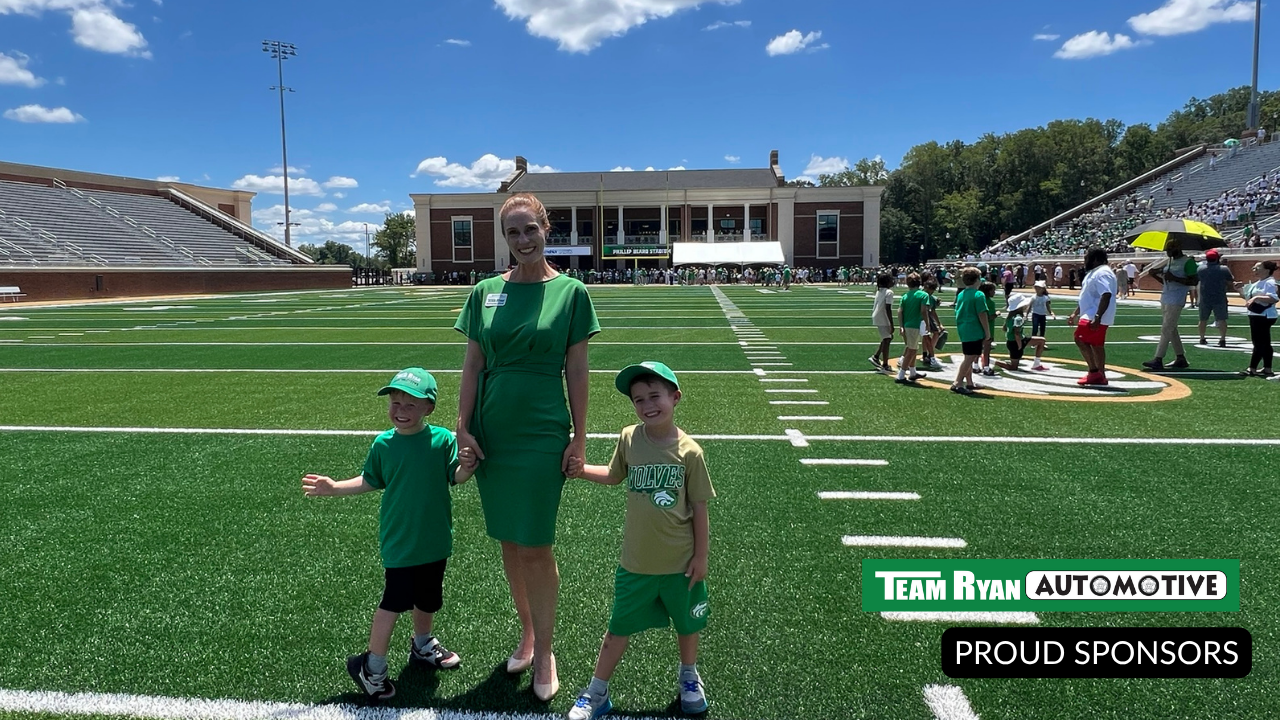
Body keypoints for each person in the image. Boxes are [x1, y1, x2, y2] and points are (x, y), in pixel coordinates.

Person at [454, 192, 601, 701]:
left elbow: (577, 370)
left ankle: (547, 651)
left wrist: (580, 437)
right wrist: (462, 426)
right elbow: (472, 364)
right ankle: (528, 634)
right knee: (510, 542)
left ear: (546, 230)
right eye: (512, 233)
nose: (521, 241)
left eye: (529, 230)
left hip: (541, 432)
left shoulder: (572, 293)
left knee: (536, 544)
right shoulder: (484, 292)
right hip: (492, 432)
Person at [302, 368, 478, 700]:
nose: (399, 410)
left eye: (410, 404)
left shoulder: (442, 440)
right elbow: (371, 479)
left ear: (429, 407)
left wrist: (467, 466)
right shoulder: (384, 444)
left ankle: (423, 645)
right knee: (393, 603)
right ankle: (372, 668)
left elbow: (455, 477)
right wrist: (334, 487)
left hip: (435, 540)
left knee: (428, 599)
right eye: (395, 402)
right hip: (400, 543)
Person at [565, 362, 715, 720]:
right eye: (638, 399)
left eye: (655, 396)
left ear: (675, 397)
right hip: (636, 563)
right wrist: (582, 470)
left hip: (681, 564)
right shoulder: (630, 436)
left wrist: (701, 557)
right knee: (617, 629)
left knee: (688, 625)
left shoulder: (690, 452)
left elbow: (699, 508)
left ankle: (689, 677)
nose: (647, 405)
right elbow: (615, 475)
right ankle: (597, 691)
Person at [1143, 238, 1199, 372]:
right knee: (1172, 329)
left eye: (1169, 249)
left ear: (1177, 248)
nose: (1167, 252)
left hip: (1176, 299)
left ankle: (1158, 358)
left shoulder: (1188, 262)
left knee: (1166, 328)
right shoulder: (1171, 262)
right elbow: (1167, 282)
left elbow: (1194, 281)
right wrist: (1155, 276)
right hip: (1166, 297)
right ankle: (1180, 357)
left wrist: (1174, 278)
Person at [1067, 247, 1118, 386]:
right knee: (1096, 345)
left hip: (1093, 315)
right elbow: (1088, 297)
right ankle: (1100, 375)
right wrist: (1075, 313)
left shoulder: (1102, 273)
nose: (1085, 261)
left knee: (1080, 339)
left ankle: (1094, 371)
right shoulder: (1095, 272)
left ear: (1095, 259)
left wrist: (1097, 316)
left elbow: (1106, 294)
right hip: (1091, 313)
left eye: (1086, 258)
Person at [951, 267, 990, 395]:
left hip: (964, 328)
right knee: (970, 357)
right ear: (977, 280)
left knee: (969, 355)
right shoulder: (979, 295)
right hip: (974, 329)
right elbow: (982, 314)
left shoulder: (961, 294)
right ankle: (957, 382)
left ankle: (969, 382)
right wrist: (987, 332)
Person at [1241, 260, 1279, 378]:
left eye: (1257, 268)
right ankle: (1267, 368)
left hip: (1264, 315)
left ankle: (1252, 368)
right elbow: (1248, 298)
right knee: (1264, 343)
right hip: (1256, 314)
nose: (1254, 270)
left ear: (1267, 270)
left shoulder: (1270, 282)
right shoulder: (1258, 282)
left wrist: (1257, 297)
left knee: (1258, 343)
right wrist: (1239, 289)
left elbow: (1274, 298)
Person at [996, 293, 1047, 372]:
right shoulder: (1018, 318)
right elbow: (1016, 333)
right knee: (1013, 367)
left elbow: (1004, 328)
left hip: (1015, 340)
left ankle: (1036, 364)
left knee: (1041, 340)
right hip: (1016, 342)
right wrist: (1019, 344)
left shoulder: (1009, 317)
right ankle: (993, 362)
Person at [1197, 249, 1235, 348]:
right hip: (1220, 297)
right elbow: (1230, 281)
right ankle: (1222, 339)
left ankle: (1202, 338)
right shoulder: (1224, 269)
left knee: (1203, 319)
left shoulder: (1201, 269)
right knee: (1222, 319)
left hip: (1205, 297)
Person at [896, 273, 928, 384]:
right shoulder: (923, 295)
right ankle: (901, 374)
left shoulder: (905, 296)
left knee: (913, 348)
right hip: (915, 325)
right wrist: (928, 324)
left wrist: (901, 326)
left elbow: (900, 311)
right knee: (911, 350)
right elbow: (924, 311)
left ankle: (913, 372)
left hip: (906, 325)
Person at [868, 273, 895, 372]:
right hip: (883, 317)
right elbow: (888, 309)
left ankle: (876, 356)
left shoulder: (880, 291)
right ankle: (885, 364)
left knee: (887, 338)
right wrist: (891, 324)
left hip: (878, 316)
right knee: (887, 339)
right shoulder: (889, 292)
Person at [978, 282, 998, 376]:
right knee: (986, 350)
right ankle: (986, 367)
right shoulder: (990, 302)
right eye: (993, 290)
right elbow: (989, 317)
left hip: (978, 327)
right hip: (988, 328)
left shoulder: (979, 300)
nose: (994, 292)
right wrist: (996, 314)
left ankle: (975, 366)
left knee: (977, 349)